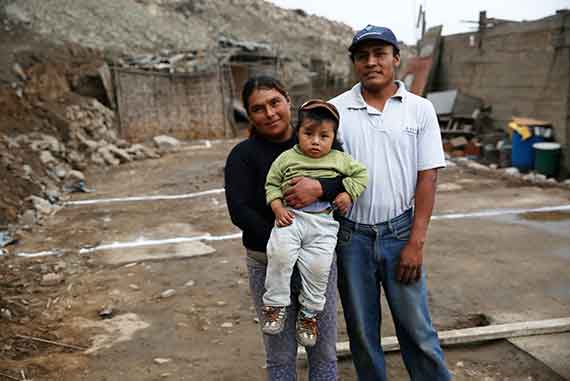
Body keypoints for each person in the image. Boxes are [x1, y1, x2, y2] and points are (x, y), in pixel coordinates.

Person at [329, 25, 452, 381]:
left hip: (401, 234)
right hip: (350, 239)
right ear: (354, 62)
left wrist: (416, 242)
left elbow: (427, 177)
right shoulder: (336, 111)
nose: (372, 62)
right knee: (363, 336)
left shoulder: (419, 109)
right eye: (363, 56)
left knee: (419, 332)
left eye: (380, 54)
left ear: (396, 59)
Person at [224, 76, 345, 380]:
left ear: (288, 100)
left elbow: (346, 179)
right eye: (258, 109)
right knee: (279, 356)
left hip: (317, 263)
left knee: (323, 351)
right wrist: (286, 242)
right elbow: (239, 211)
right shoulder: (242, 156)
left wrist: (319, 188)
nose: (270, 113)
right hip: (266, 262)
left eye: (275, 102)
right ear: (250, 116)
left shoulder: (320, 141)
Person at [261, 100, 368, 348]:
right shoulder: (286, 158)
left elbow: (361, 174)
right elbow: (272, 185)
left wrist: (348, 193)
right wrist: (277, 207)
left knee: (320, 269)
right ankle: (275, 305)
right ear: (298, 132)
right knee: (279, 255)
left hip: (324, 223)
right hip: (290, 218)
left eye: (324, 135)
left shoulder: (340, 159)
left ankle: (308, 315)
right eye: (308, 133)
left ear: (333, 137)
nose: (315, 141)